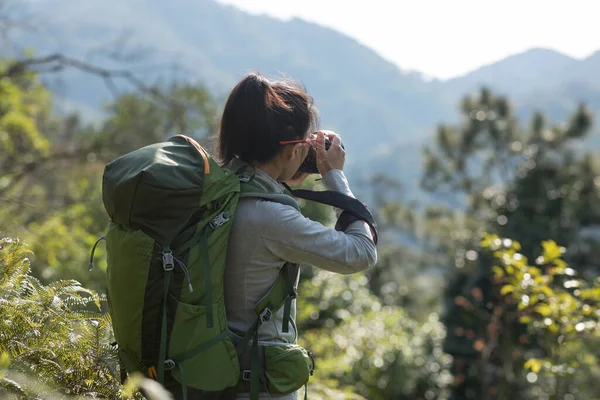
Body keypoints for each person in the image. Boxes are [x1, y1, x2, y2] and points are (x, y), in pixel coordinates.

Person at [218, 72, 378, 400]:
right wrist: (335, 177)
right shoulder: (270, 217)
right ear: (291, 149)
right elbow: (362, 252)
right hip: (258, 386)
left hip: (213, 373)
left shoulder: (219, 190)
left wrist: (287, 173)